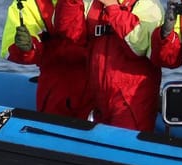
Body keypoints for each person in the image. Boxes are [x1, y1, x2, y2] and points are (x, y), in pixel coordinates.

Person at [55, 0, 164, 132]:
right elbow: (70, 32)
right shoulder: (93, 3)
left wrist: (112, 7)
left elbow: (139, 46)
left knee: (125, 148)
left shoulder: (149, 4)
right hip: (98, 96)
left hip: (131, 100)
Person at [1, 0, 92, 119]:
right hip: (57, 90)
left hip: (106, 88)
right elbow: (9, 47)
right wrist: (25, 48)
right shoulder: (29, 3)